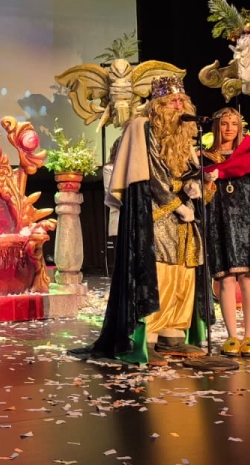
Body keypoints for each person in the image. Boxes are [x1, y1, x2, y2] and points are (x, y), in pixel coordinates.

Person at [79, 75, 209, 365]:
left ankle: (172, 336)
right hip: (154, 214)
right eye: (172, 101)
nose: (178, 105)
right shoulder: (143, 128)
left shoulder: (184, 134)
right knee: (157, 272)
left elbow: (185, 169)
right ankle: (147, 339)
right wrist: (176, 205)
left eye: (181, 100)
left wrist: (193, 185)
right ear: (158, 105)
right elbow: (148, 175)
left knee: (182, 271)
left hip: (182, 214)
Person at [202, 108, 250, 358]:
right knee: (225, 280)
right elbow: (199, 191)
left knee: (248, 279)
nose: (229, 128)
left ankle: (249, 336)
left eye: (234, 124)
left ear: (240, 127)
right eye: (224, 123)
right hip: (220, 221)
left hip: (248, 220)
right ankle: (231, 336)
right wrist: (205, 180)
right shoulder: (205, 156)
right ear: (216, 127)